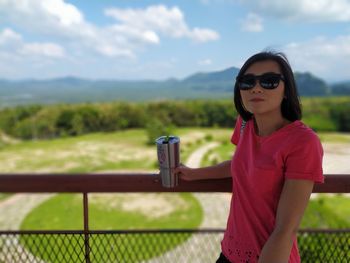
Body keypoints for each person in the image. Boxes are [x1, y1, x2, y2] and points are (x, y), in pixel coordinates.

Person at [175, 51, 324, 263]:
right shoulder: (245, 124)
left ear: (286, 90)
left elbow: (285, 230)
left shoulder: (303, 142)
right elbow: (241, 164)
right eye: (247, 82)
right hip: (228, 253)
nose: (256, 88)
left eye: (269, 81)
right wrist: (192, 174)